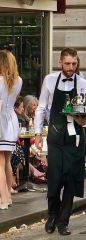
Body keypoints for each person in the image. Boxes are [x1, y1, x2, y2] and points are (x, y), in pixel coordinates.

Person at [34, 47, 86, 235]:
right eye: (67, 63)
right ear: (60, 62)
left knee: (70, 179)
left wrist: (83, 119)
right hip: (55, 136)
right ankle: (52, 214)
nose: (71, 67)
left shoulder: (84, 84)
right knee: (54, 178)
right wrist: (37, 133)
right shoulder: (50, 80)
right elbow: (41, 107)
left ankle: (62, 221)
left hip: (75, 137)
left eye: (74, 64)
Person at [0, 50, 22, 209]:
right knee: (6, 161)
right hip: (11, 120)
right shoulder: (18, 80)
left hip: (1, 120)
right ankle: (8, 192)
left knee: (0, 162)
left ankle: (4, 198)